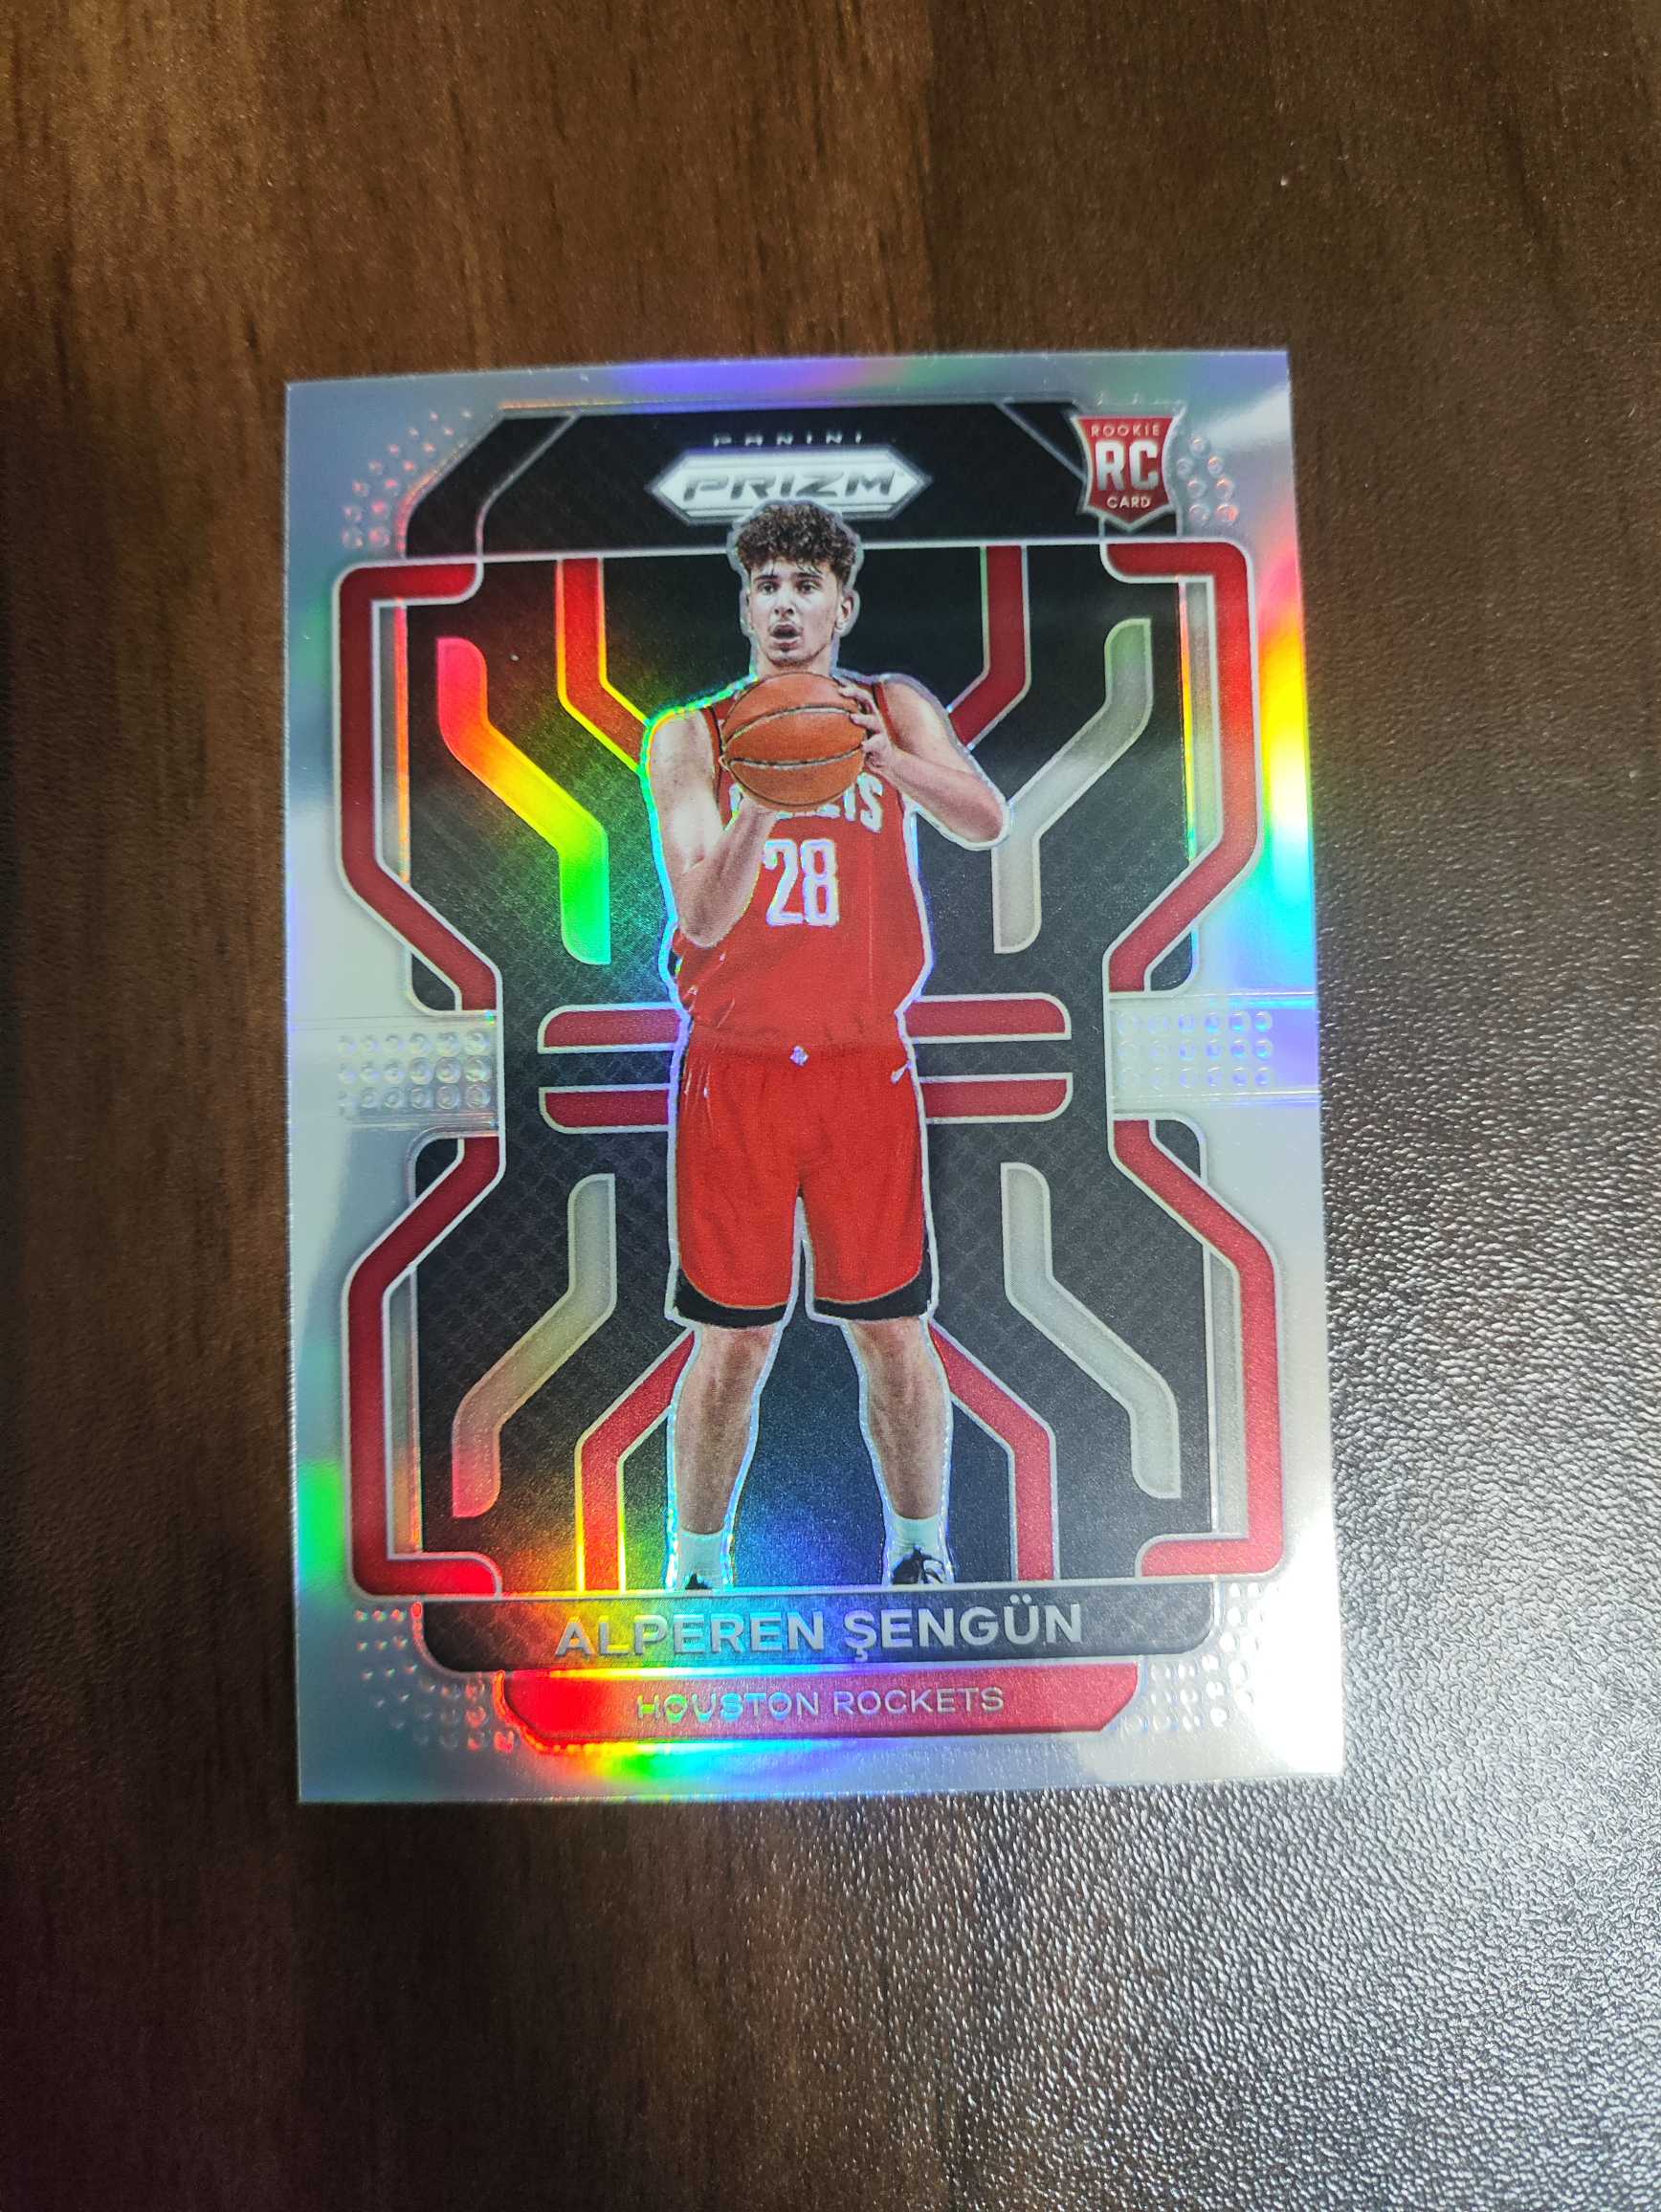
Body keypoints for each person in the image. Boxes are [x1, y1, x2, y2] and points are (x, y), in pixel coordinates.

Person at [642, 500, 1008, 1591]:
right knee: (733, 1339)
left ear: (843, 606)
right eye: (766, 586)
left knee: (891, 1326)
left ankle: (920, 1552)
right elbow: (702, 915)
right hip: (736, 1069)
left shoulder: (892, 708)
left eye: (807, 585)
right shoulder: (691, 735)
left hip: (862, 1065)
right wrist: (765, 796)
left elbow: (983, 816)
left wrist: (879, 762)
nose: (785, 605)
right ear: (744, 607)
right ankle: (698, 1567)